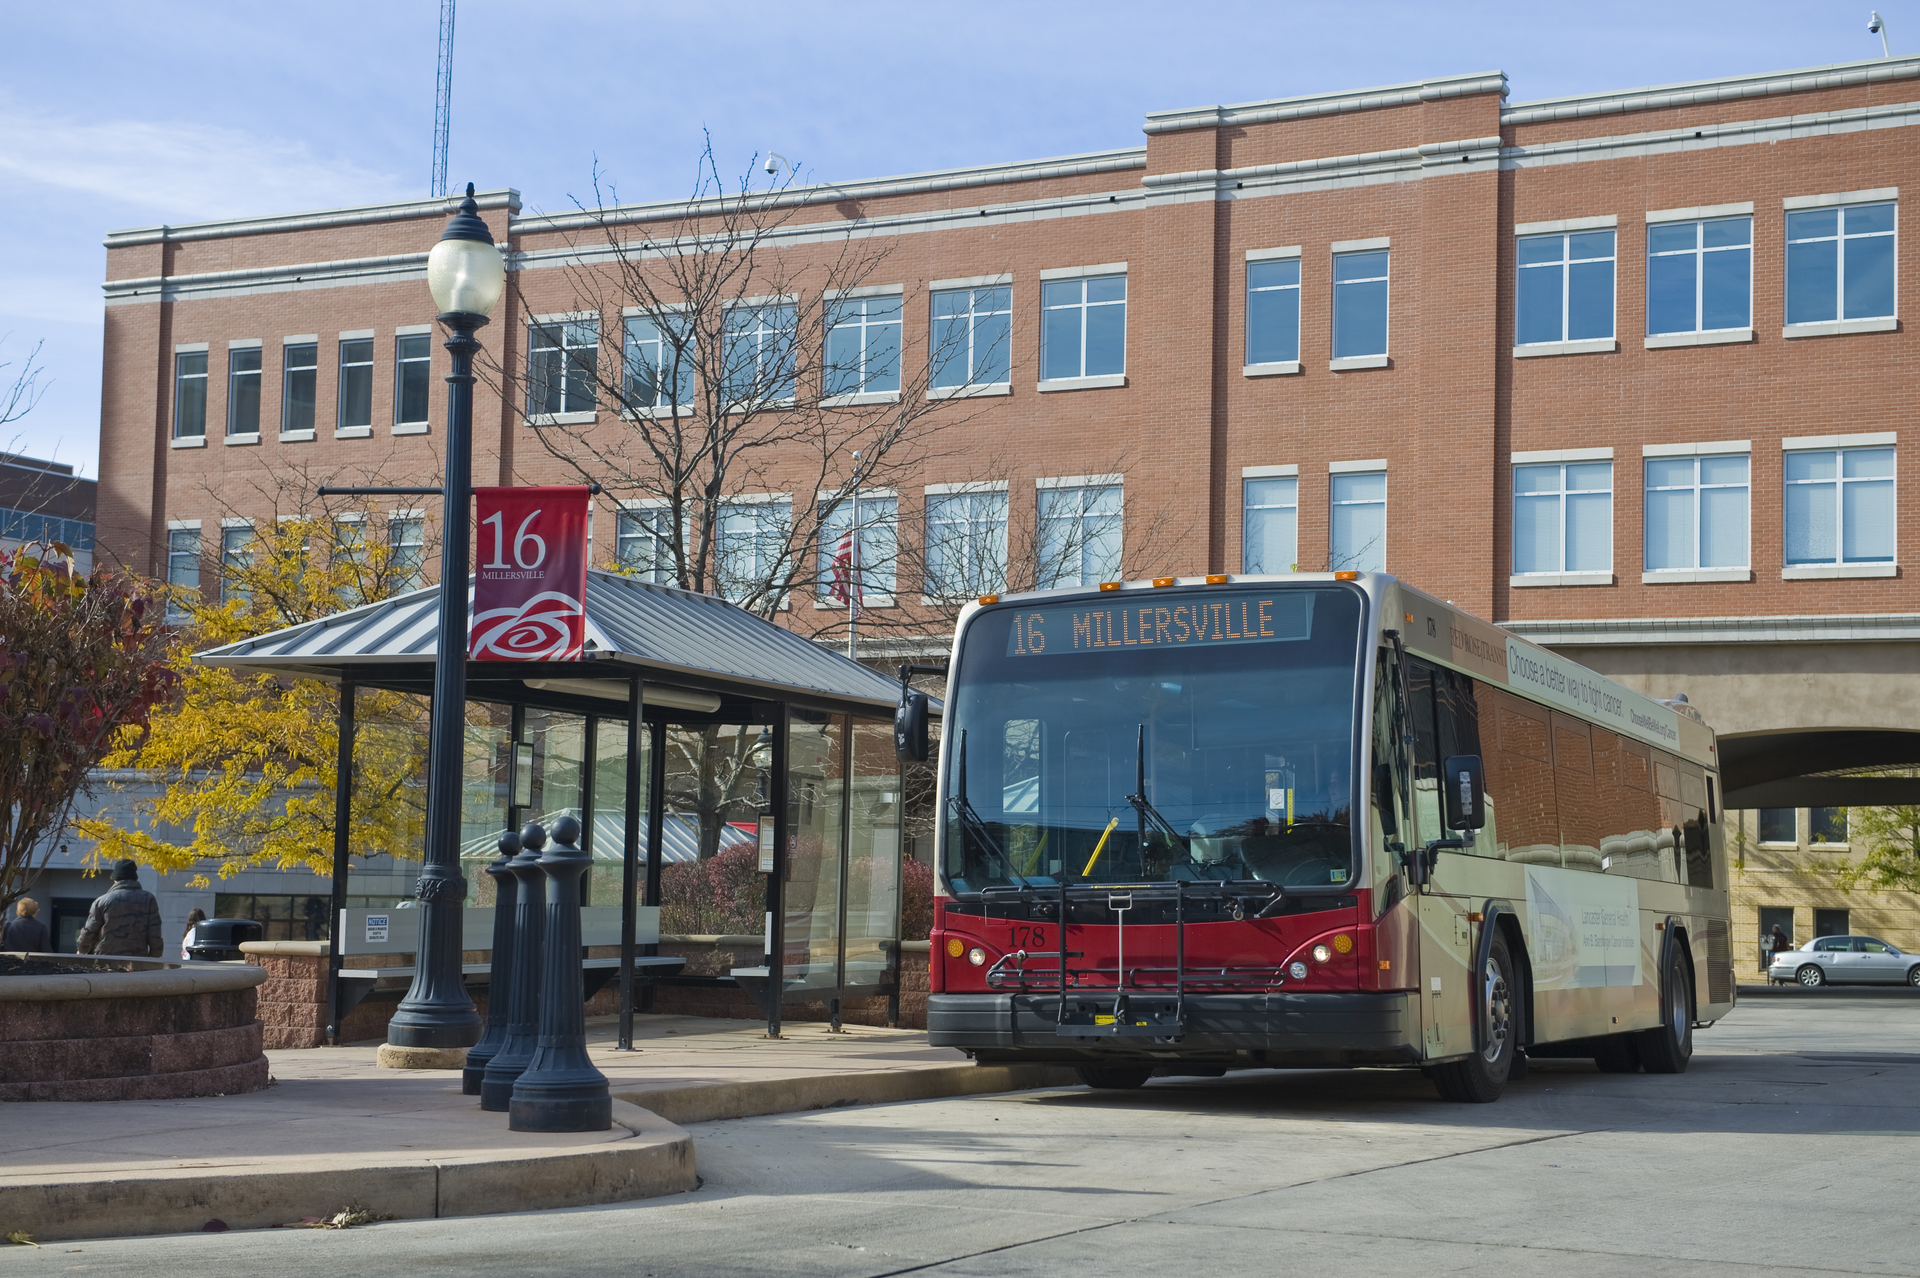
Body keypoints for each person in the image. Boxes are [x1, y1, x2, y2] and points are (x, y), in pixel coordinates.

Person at [75, 859, 166, 959]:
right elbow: (154, 931)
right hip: (138, 958)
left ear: (115, 879)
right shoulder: (148, 899)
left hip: (106, 958)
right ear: (134, 878)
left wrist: (82, 949)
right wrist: (156, 955)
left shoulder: (102, 901)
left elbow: (90, 930)